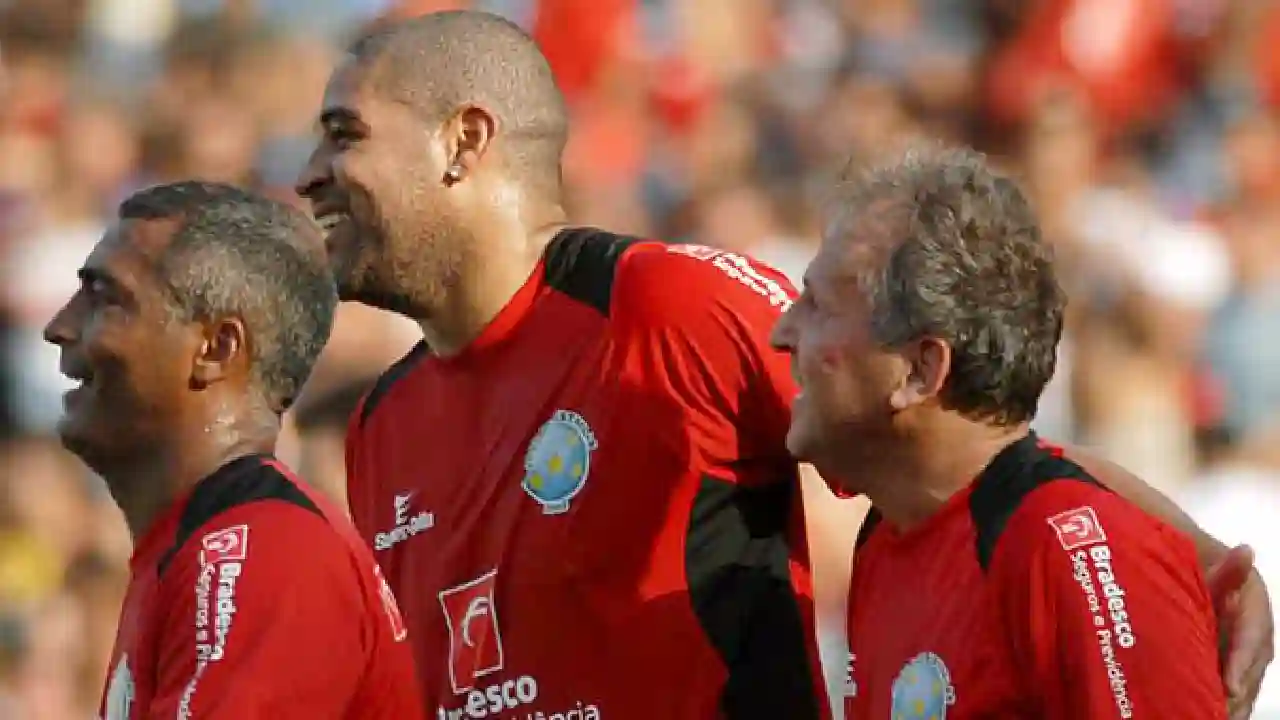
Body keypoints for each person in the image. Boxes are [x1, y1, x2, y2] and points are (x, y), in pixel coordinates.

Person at [295, 10, 1272, 719]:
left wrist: (1200, 562)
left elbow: (970, 439)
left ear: (463, 142)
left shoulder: (666, 306)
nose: (308, 173)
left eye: (345, 135)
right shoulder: (381, 427)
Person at [770, 144, 1232, 718]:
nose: (783, 332)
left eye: (817, 305)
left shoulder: (1073, 551)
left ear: (920, 371)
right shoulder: (889, 540)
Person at [42, 181, 423, 719]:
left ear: (217, 348)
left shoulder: (266, 552)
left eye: (105, 298)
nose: (59, 327)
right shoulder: (191, 550)